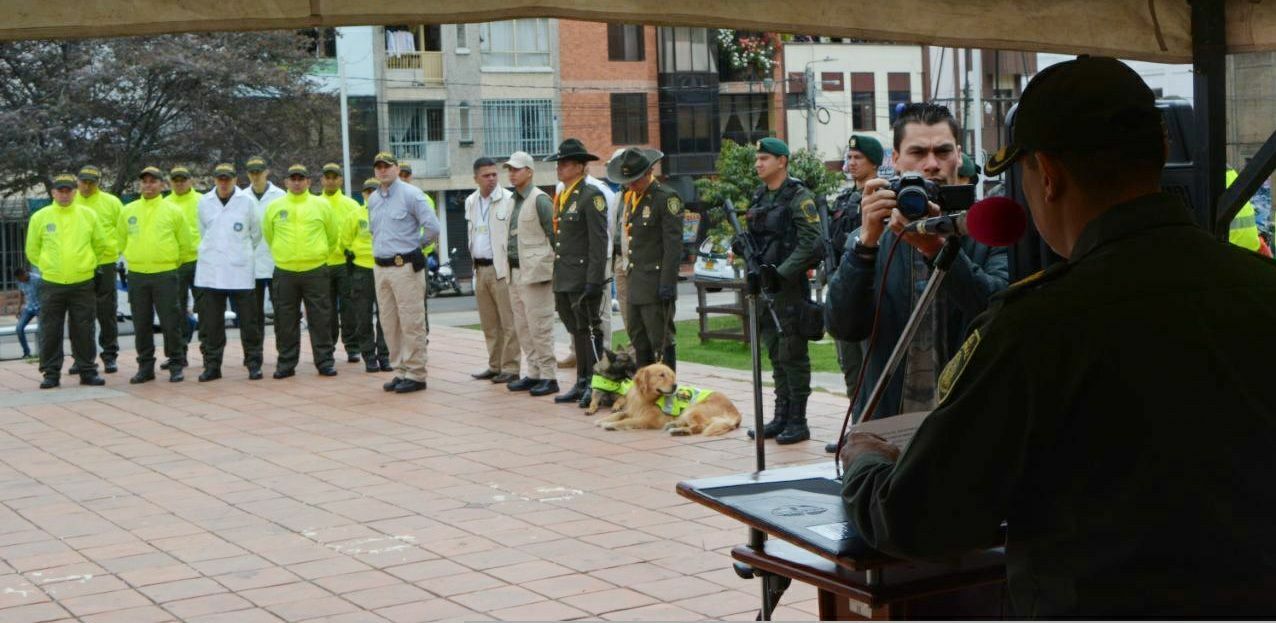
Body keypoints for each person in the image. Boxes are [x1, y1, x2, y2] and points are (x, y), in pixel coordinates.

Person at [841, 56, 1276, 617]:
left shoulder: (1038, 325)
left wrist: (864, 464)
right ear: (1161, 150)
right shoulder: (1262, 288)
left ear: (1045, 174)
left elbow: (918, 518)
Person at [822, 103, 1009, 449]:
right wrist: (866, 245)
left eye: (943, 151)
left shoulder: (985, 233)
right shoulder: (870, 239)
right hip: (888, 431)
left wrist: (938, 250)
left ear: (958, 156)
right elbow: (843, 327)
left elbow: (1000, 317)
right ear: (895, 159)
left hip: (969, 427)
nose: (932, 164)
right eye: (918, 153)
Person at [742, 138, 823, 445]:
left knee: (793, 355)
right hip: (766, 288)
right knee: (776, 354)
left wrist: (782, 273)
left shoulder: (799, 197)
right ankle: (781, 415)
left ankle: (798, 421)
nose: (758, 164)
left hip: (788, 290)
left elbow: (811, 243)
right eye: (757, 159)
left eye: (764, 158)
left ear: (782, 161)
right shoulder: (760, 195)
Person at [25, 173, 110, 388]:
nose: (64, 195)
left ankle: (87, 370)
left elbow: (100, 244)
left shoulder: (88, 215)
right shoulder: (40, 217)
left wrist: (86, 263)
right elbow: (32, 250)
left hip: (82, 282)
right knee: (50, 329)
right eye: (60, 191)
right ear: (53, 193)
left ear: (75, 192)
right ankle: (51, 373)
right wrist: (48, 267)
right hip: (52, 283)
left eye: (68, 190)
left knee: (84, 328)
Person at [367, 152, 440, 394]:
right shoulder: (373, 199)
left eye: (387, 166)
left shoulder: (411, 194)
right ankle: (400, 371)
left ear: (397, 169)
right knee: (389, 323)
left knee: (411, 321)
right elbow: (375, 232)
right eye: (378, 167)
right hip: (381, 268)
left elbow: (433, 227)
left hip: (404, 267)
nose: (382, 170)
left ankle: (416, 373)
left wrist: (415, 247)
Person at [545, 139, 609, 407]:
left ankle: (594, 383)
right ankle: (581, 381)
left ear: (581, 167)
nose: (560, 167)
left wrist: (594, 280)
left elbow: (598, 242)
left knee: (589, 330)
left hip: (582, 276)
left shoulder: (591, 196)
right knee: (576, 330)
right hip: (565, 276)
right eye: (559, 163)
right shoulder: (564, 195)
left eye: (566, 163)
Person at [607, 147, 683, 368]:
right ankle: (645, 385)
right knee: (639, 339)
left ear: (649, 172)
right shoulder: (633, 198)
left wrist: (668, 284)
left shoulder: (665, 198)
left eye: (635, 179)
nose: (630, 184)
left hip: (655, 282)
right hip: (635, 280)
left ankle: (666, 386)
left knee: (660, 339)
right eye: (628, 180)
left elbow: (673, 246)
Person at [262, 164, 339, 379]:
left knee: (320, 318)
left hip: (315, 270)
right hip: (285, 271)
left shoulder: (321, 205)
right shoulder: (274, 207)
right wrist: (284, 254)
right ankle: (286, 363)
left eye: (301, 179)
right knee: (285, 320)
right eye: (293, 179)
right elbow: (269, 235)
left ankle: (325, 362)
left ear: (308, 182)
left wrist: (317, 254)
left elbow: (332, 236)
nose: (296, 183)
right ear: (286, 182)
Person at [118, 166, 193, 383]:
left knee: (171, 322)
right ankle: (145, 366)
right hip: (137, 275)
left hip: (165, 274)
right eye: (145, 181)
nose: (148, 185)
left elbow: (185, 244)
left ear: (162, 184)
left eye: (153, 181)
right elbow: (121, 240)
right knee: (141, 324)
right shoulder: (128, 210)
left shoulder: (173, 211)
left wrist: (168, 262)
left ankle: (176, 363)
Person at [194, 163, 264, 381]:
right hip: (211, 270)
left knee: (249, 322)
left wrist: (239, 251)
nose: (224, 183)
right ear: (215, 180)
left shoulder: (247, 202)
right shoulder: (204, 202)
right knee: (211, 323)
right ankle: (212, 366)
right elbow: (202, 231)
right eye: (220, 179)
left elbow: (256, 233)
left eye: (228, 179)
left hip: (240, 270)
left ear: (235, 180)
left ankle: (253, 363)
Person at [828, 134, 882, 403]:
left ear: (874, 162)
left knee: (872, 366)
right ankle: (856, 419)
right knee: (849, 366)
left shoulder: (881, 198)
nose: (851, 162)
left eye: (858, 157)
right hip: (844, 286)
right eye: (849, 157)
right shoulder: (843, 200)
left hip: (869, 289)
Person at [503, 152, 559, 397]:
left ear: (529, 171)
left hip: (536, 273)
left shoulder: (541, 200)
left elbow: (555, 236)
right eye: (510, 169)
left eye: (516, 169)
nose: (512, 173)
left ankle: (549, 375)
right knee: (523, 326)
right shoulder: (512, 200)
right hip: (514, 271)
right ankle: (534, 372)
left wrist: (551, 266)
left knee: (540, 326)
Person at [466, 157, 521, 384]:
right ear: (476, 178)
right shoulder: (471, 201)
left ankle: (511, 367)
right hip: (479, 268)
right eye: (486, 175)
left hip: (500, 269)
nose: (491, 179)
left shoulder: (509, 200)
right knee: (489, 323)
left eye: (494, 174)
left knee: (508, 322)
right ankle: (495, 364)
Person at [74, 165, 123, 373]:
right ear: (77, 181)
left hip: (105, 262)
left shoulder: (111, 202)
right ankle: (81, 358)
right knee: (80, 314)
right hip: (79, 265)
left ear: (98, 183)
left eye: (91, 183)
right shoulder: (69, 201)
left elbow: (123, 230)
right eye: (83, 182)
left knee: (107, 311)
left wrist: (115, 250)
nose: (87, 186)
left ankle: (109, 354)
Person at [345, 177, 391, 373]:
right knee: (363, 317)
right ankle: (369, 357)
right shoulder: (355, 215)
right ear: (363, 194)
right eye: (368, 191)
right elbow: (345, 241)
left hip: (384, 267)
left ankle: (385, 356)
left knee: (386, 316)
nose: (371, 194)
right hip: (362, 271)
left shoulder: (389, 212)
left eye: (375, 190)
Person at [319, 163, 359, 363]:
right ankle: (328, 347)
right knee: (326, 310)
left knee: (349, 308)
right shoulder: (315, 203)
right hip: (323, 264)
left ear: (341, 180)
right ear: (322, 180)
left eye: (334, 177)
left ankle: (353, 347)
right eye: (327, 177)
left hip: (345, 264)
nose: (331, 181)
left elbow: (358, 232)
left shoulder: (351, 205)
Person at [244, 156, 286, 339]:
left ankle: (283, 348)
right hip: (251, 263)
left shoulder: (281, 196)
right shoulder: (241, 197)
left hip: (275, 261)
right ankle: (256, 350)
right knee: (253, 313)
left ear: (266, 172)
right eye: (252, 173)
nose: (255, 176)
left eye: (259, 172)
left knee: (281, 310)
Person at [166, 165, 201, 359]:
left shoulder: (203, 201)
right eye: (175, 180)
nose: (179, 184)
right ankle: (180, 354)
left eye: (183, 180)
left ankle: (209, 354)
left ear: (191, 181)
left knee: (206, 308)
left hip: (200, 261)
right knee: (176, 309)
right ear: (170, 182)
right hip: (176, 263)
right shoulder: (164, 203)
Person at [13, 266, 40, 360]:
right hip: (29, 308)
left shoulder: (37, 279)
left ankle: (43, 353)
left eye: (20, 279)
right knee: (19, 328)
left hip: (40, 308)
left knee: (42, 330)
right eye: (18, 280)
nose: (20, 281)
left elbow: (46, 292)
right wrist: (18, 308)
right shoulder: (19, 281)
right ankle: (26, 353)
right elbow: (21, 294)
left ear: (24, 274)